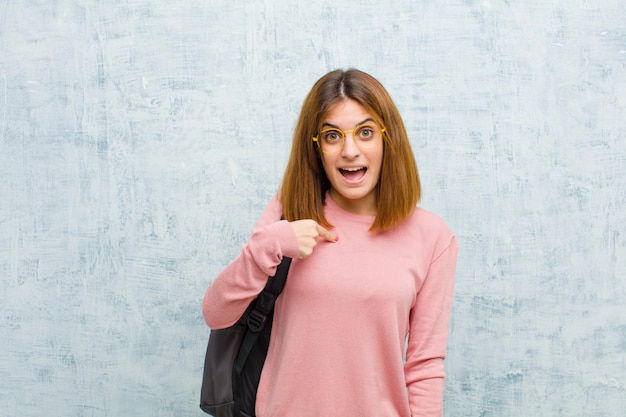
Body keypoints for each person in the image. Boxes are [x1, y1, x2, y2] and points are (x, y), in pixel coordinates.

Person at [203, 69, 458, 417]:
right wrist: (270, 243)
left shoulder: (432, 236)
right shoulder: (288, 212)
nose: (349, 151)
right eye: (332, 136)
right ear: (317, 147)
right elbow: (215, 313)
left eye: (365, 133)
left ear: (388, 139)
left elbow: (425, 367)